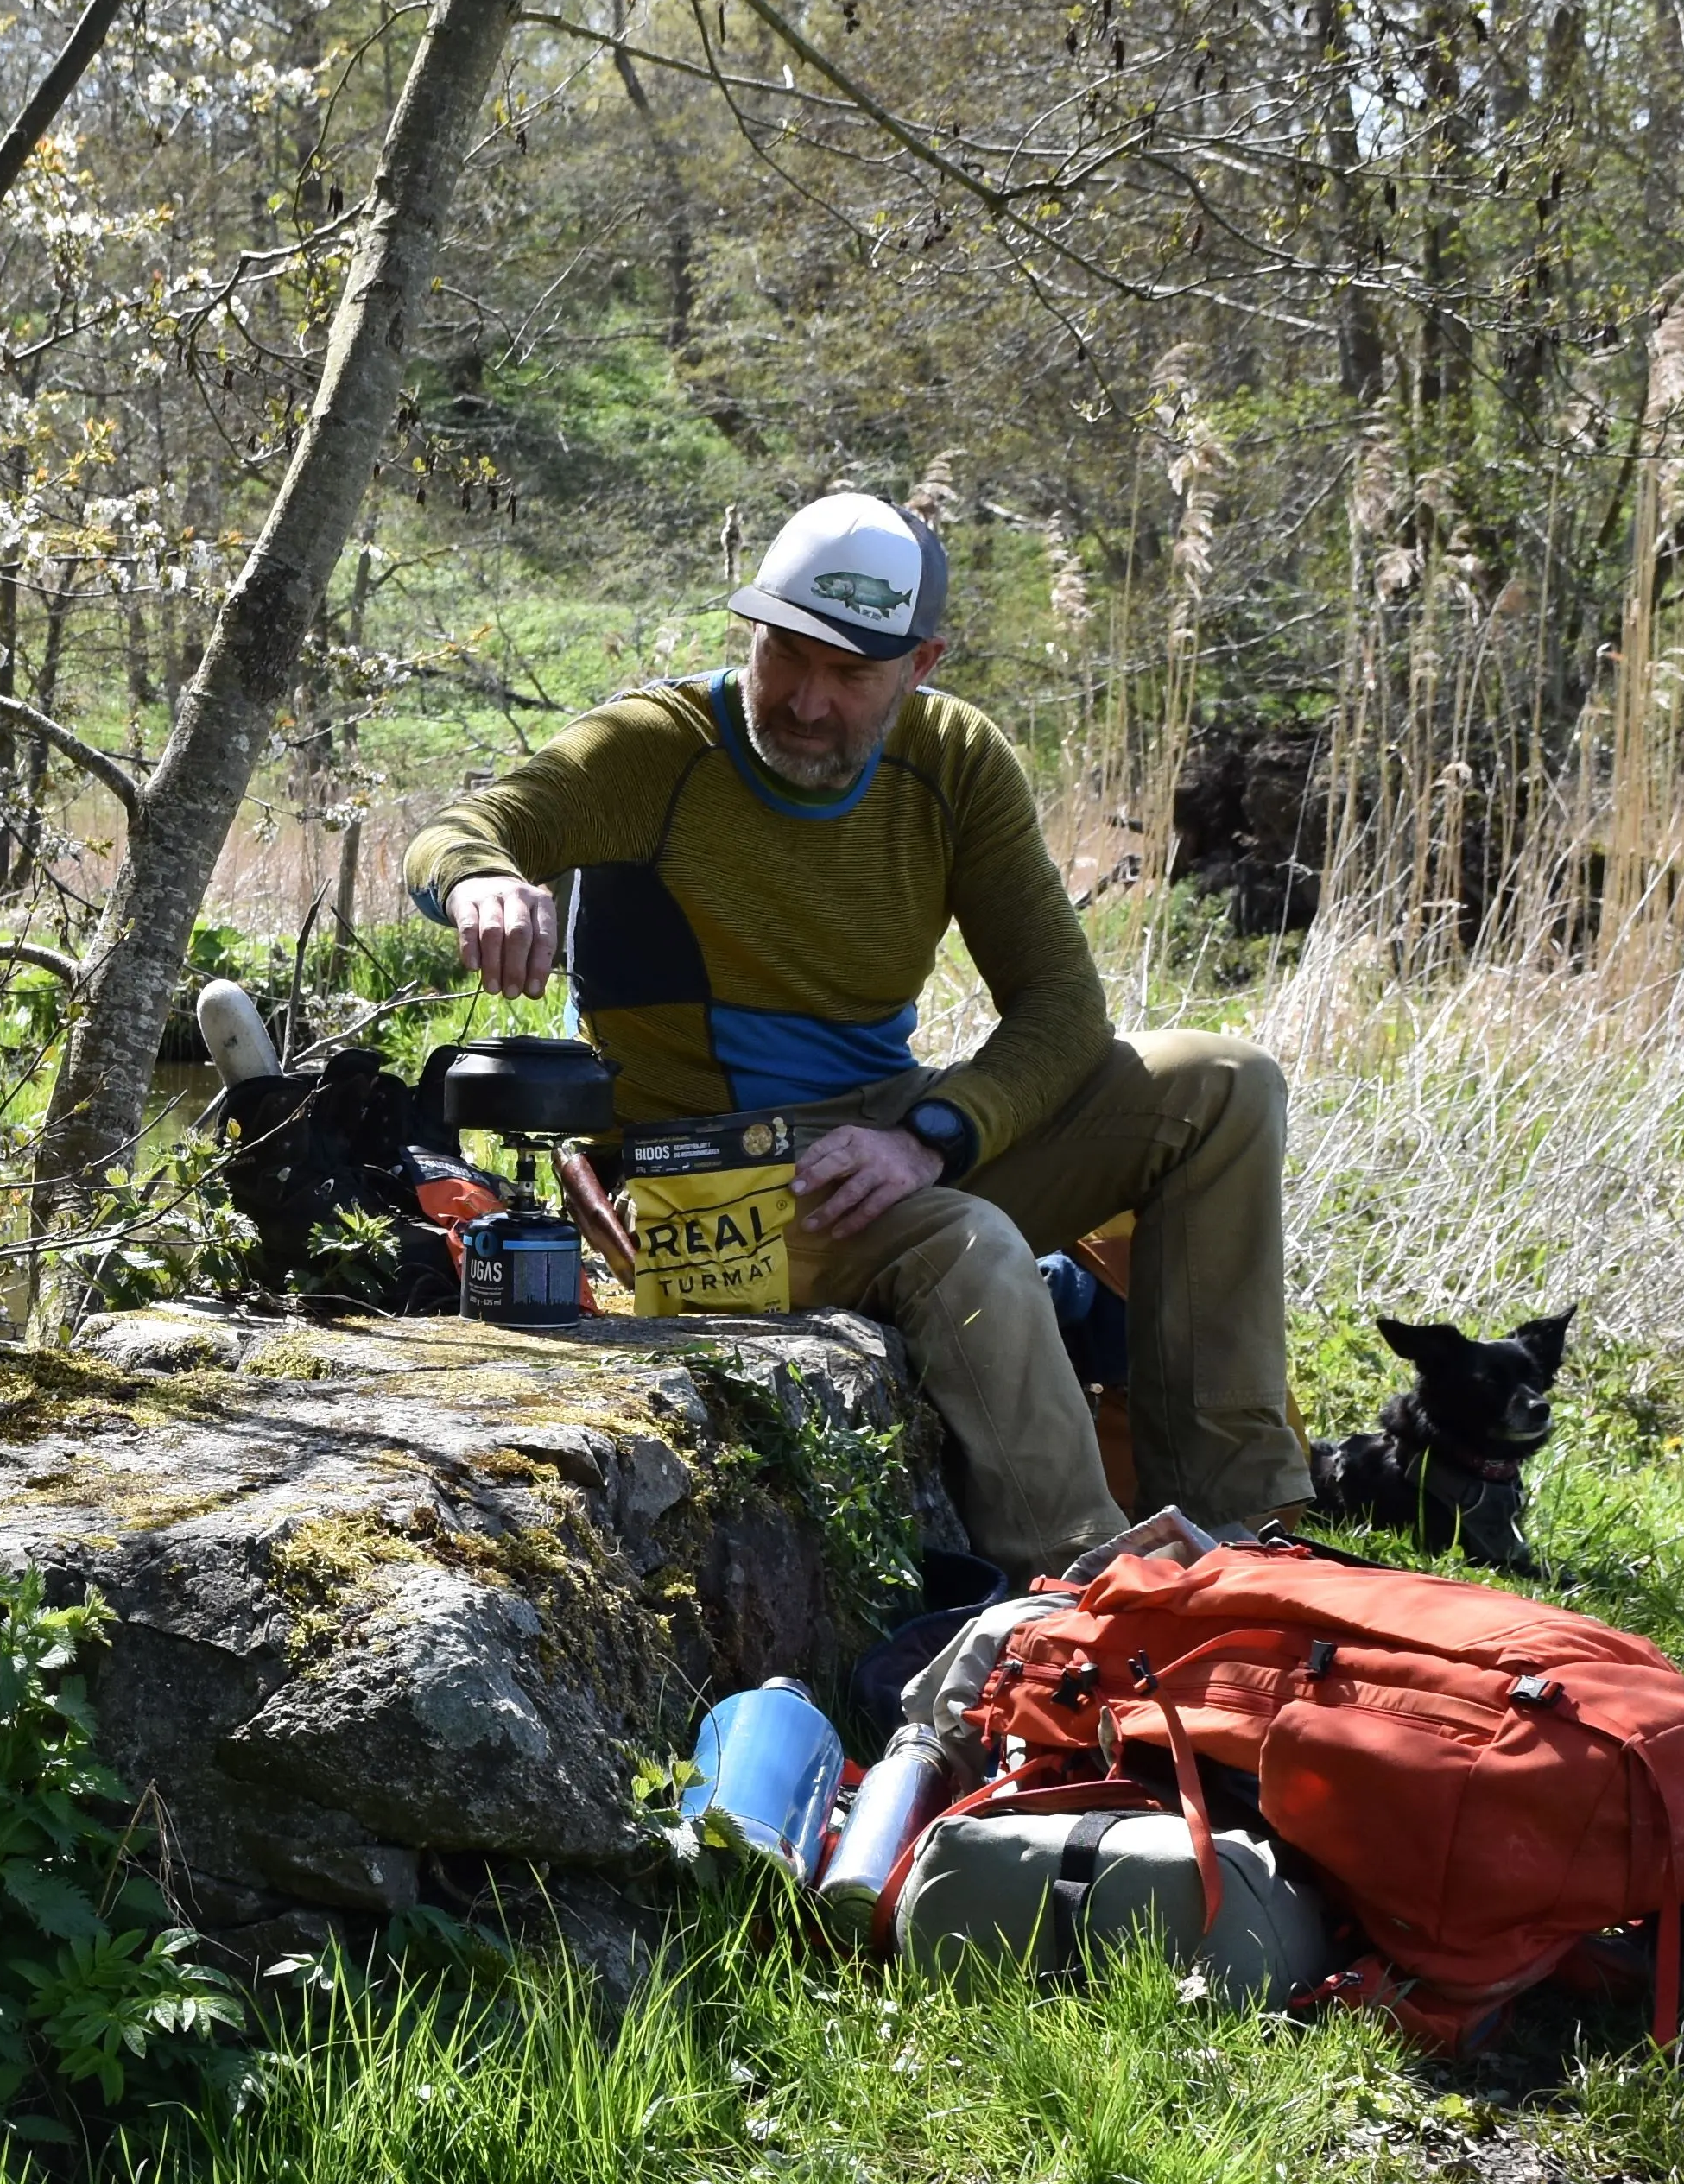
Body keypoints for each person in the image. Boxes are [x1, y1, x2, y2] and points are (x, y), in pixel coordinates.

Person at [401, 490, 1307, 1577]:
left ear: (920, 665)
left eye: (852, 673)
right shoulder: (660, 749)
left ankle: (1244, 1545)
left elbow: (1064, 1008)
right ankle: (1085, 1601)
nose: (808, 701)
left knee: (1224, 1082)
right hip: (704, 1181)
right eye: (788, 653)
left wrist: (931, 1134)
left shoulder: (955, 760)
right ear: (754, 629)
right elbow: (465, 828)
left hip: (883, 1145)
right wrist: (484, 883)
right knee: (966, 1243)